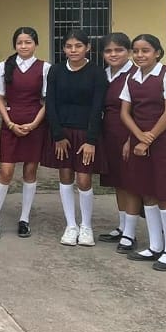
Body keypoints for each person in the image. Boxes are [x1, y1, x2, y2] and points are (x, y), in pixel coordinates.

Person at [119, 34, 166, 271]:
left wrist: (149, 138)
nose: (139, 55)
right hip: (140, 141)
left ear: (157, 52)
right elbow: (126, 112)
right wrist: (139, 136)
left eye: (145, 50)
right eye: (135, 51)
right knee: (146, 192)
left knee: (164, 194)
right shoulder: (131, 78)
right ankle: (155, 245)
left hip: (163, 142)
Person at [43, 30, 107, 247]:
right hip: (62, 133)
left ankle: (86, 226)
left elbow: (97, 106)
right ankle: (71, 225)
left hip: (86, 133)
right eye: (69, 46)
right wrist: (57, 134)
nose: (73, 50)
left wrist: (91, 140)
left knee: (84, 179)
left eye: (78, 46)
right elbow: (50, 104)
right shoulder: (56, 70)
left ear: (87, 47)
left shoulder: (97, 73)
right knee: (65, 176)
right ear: (63, 49)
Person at [0, 26, 51, 239]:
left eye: (28, 42)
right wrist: (9, 123)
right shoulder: (4, 66)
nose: (24, 46)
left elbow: (47, 100)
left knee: (30, 172)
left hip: (35, 124)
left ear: (36, 44)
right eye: (19, 43)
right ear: (14, 45)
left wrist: (34, 124)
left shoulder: (45, 68)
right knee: (5, 172)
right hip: (11, 124)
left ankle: (24, 219)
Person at [96, 34, 142, 253]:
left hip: (128, 133)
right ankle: (123, 225)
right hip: (108, 134)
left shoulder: (135, 75)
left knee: (130, 182)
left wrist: (131, 139)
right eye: (108, 51)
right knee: (117, 181)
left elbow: (140, 111)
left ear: (129, 52)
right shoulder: (103, 74)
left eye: (119, 50)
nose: (113, 54)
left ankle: (130, 233)